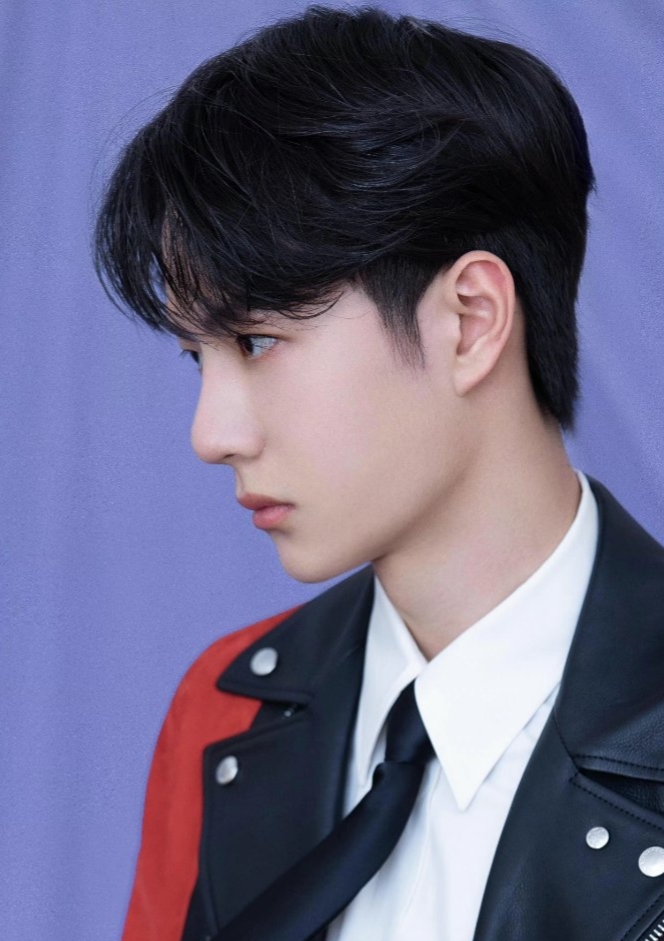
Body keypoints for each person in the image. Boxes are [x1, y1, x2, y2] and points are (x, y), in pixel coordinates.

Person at [93, 7, 664, 941]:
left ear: (470, 320)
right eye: (199, 357)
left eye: (256, 339)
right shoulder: (226, 712)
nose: (210, 432)